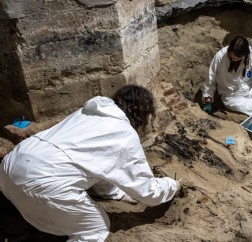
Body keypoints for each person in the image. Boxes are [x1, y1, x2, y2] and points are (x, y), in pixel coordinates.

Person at [0, 85, 181, 242]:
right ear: (142, 115)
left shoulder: (89, 111)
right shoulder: (124, 135)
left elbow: (98, 162)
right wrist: (172, 185)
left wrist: (113, 193)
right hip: (42, 182)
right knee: (96, 227)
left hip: (9, 167)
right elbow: (147, 191)